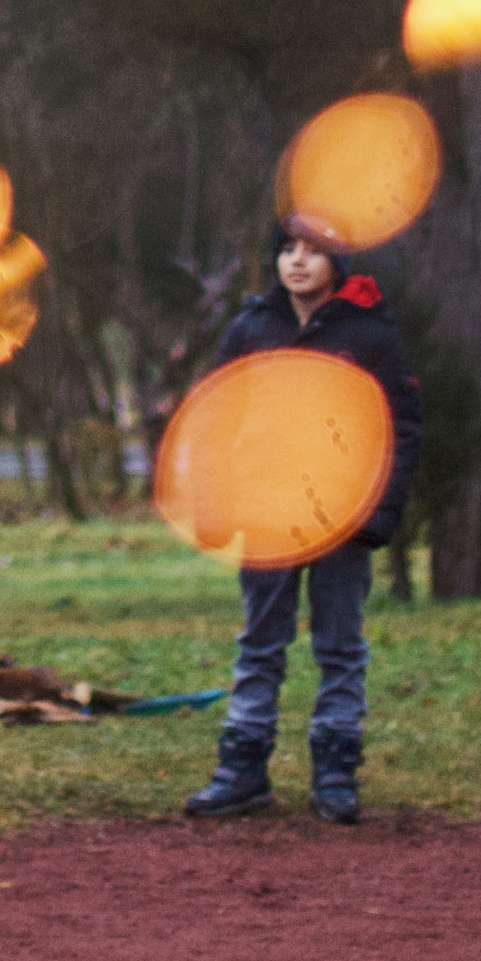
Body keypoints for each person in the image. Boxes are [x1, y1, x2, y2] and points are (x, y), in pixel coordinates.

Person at [182, 217, 424, 825]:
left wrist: (380, 510)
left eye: (313, 253)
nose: (297, 262)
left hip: (342, 514)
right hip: (267, 509)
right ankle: (242, 767)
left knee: (339, 644)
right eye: (288, 250)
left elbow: (400, 427)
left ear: (338, 264)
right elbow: (215, 421)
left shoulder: (369, 335)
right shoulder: (252, 328)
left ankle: (336, 768)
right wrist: (212, 504)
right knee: (261, 641)